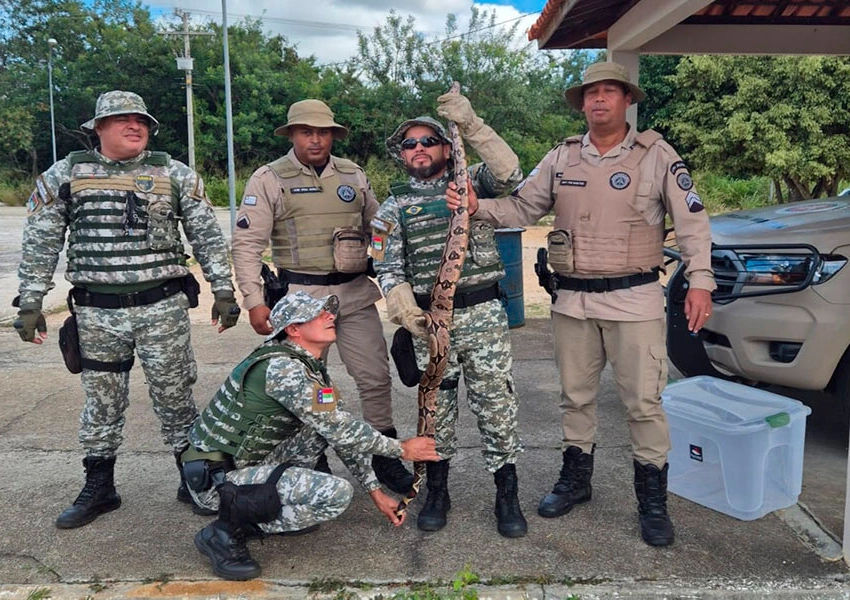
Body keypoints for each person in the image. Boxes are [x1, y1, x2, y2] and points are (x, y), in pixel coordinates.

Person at [446, 62, 715, 547]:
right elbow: (523, 207)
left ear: (627, 100)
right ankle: (577, 480)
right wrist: (476, 207)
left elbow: (693, 223)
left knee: (643, 403)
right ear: (582, 102)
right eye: (592, 92)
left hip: (635, 300)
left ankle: (652, 502)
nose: (599, 100)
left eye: (610, 91)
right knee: (575, 397)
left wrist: (700, 281)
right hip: (571, 301)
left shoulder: (658, 156)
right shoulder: (562, 157)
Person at [14, 90, 241, 529]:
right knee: (102, 403)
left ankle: (191, 479)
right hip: (97, 313)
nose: (135, 126)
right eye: (122, 120)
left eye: (141, 120)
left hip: (162, 307)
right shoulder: (66, 174)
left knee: (176, 398)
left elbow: (207, 238)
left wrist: (224, 292)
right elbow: (41, 242)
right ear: (98, 128)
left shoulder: (173, 173)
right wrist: (30, 302)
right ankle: (100, 486)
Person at [186, 291, 440, 580]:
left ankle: (263, 502)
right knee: (335, 495)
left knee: (321, 430)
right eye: (318, 314)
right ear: (293, 329)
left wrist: (376, 492)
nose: (330, 316)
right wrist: (402, 449)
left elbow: (340, 429)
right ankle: (225, 532)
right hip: (214, 480)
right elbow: (343, 430)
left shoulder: (306, 367)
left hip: (233, 464)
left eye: (328, 312)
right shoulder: (285, 370)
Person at [230, 99, 413, 494]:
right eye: (306, 132)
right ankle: (311, 458)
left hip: (354, 294)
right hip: (301, 300)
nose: (316, 139)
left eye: (323, 132)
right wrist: (254, 301)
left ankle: (383, 456)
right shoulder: (269, 178)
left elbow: (380, 231)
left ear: (333, 135)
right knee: (305, 387)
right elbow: (246, 246)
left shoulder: (353, 175)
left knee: (375, 377)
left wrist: (396, 272)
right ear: (293, 134)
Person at [370, 92, 527, 538]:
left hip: (482, 315)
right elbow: (386, 266)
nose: (418, 148)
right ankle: (437, 489)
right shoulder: (392, 208)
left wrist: (472, 124)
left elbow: (510, 173)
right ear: (401, 155)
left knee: (496, 405)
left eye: (428, 140)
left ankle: (506, 490)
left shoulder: (470, 182)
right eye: (409, 144)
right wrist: (405, 313)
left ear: (444, 147)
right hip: (430, 324)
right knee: (436, 413)